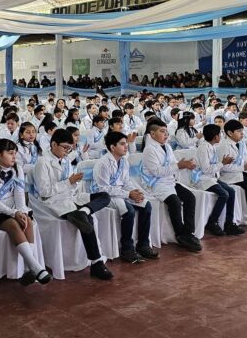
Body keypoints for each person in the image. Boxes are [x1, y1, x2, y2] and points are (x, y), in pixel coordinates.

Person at [34, 128, 114, 280]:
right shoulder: (42, 163)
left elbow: (71, 186)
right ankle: (96, 262)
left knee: (104, 196)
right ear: (53, 144)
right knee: (87, 222)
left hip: (71, 198)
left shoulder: (65, 161)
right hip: (55, 202)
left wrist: (75, 182)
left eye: (69, 149)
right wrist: (69, 182)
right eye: (64, 147)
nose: (67, 151)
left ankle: (84, 211)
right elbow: (44, 191)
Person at [0, 139, 51, 285]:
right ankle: (36, 267)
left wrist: (21, 211)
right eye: (10, 153)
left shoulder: (17, 168)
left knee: (27, 221)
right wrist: (13, 213)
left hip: (13, 208)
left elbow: (19, 194)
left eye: (15, 153)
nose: (14, 157)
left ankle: (30, 269)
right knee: (12, 224)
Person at [92, 132, 159, 263]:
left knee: (146, 205)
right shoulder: (103, 163)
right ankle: (127, 249)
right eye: (122, 144)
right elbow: (103, 188)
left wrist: (135, 192)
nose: (126, 147)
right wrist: (128, 194)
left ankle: (143, 245)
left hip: (121, 192)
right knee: (129, 211)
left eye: (126, 143)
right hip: (106, 196)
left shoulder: (123, 161)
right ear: (112, 147)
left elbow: (126, 181)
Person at [141, 119, 201, 251]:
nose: (166, 134)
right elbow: (157, 172)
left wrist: (185, 166)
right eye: (162, 131)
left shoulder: (167, 146)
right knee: (174, 202)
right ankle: (180, 234)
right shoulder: (149, 150)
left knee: (190, 197)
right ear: (152, 134)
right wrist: (178, 165)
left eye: (167, 132)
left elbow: (173, 165)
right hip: (156, 184)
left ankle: (188, 232)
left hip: (169, 182)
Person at [193, 124, 246, 235]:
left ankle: (229, 224)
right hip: (203, 179)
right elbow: (206, 169)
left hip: (212, 178)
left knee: (231, 191)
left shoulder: (211, 146)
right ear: (215, 137)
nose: (221, 136)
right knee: (224, 194)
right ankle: (212, 222)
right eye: (220, 134)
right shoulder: (203, 148)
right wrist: (223, 163)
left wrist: (222, 163)